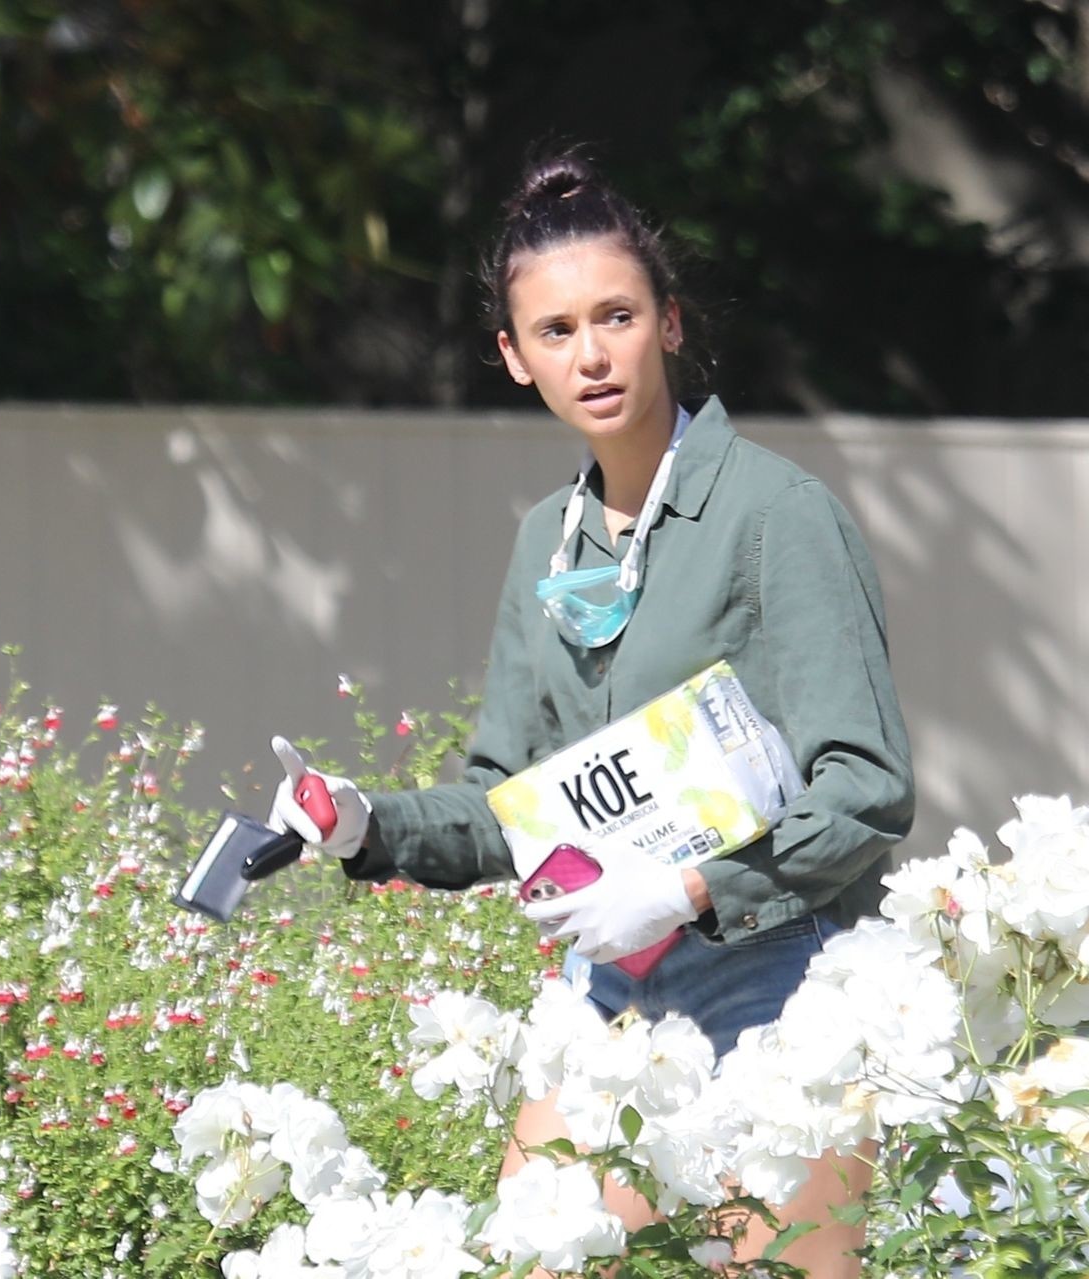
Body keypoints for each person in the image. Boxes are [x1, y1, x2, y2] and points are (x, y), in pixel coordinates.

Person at [265, 147, 914, 1278]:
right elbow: (509, 801)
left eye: (617, 316)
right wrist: (366, 821)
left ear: (671, 323)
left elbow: (867, 788)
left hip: (780, 972)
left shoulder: (777, 514)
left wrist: (690, 888)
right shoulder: (544, 541)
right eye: (556, 331)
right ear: (515, 357)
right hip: (612, 983)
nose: (592, 354)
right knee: (541, 1255)